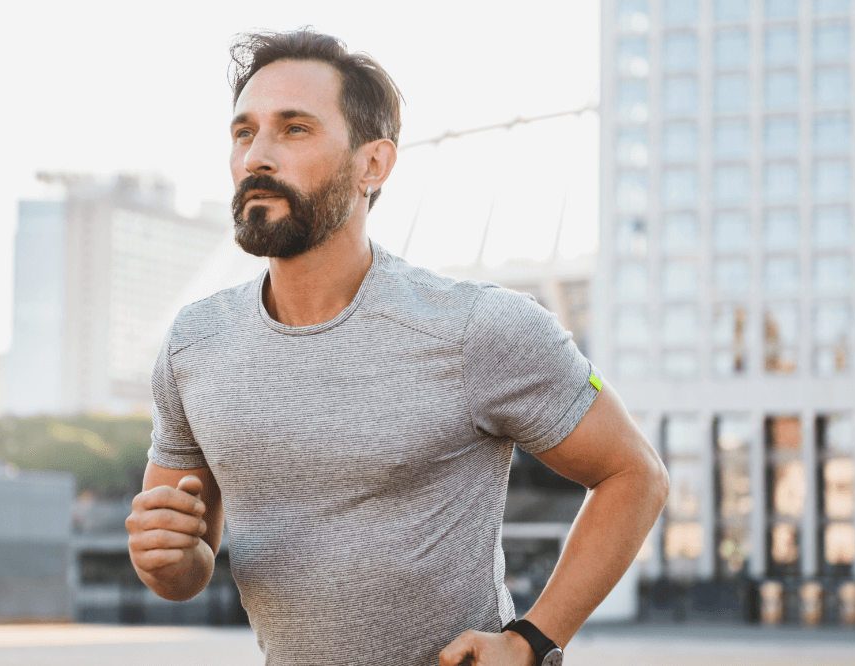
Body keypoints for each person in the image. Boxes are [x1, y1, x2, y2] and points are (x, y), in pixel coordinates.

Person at [125, 29, 669, 666]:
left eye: (294, 129)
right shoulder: (196, 346)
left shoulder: (480, 327)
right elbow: (185, 570)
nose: (256, 158)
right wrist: (168, 558)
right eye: (244, 133)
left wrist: (532, 641)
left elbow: (635, 474)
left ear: (372, 164)